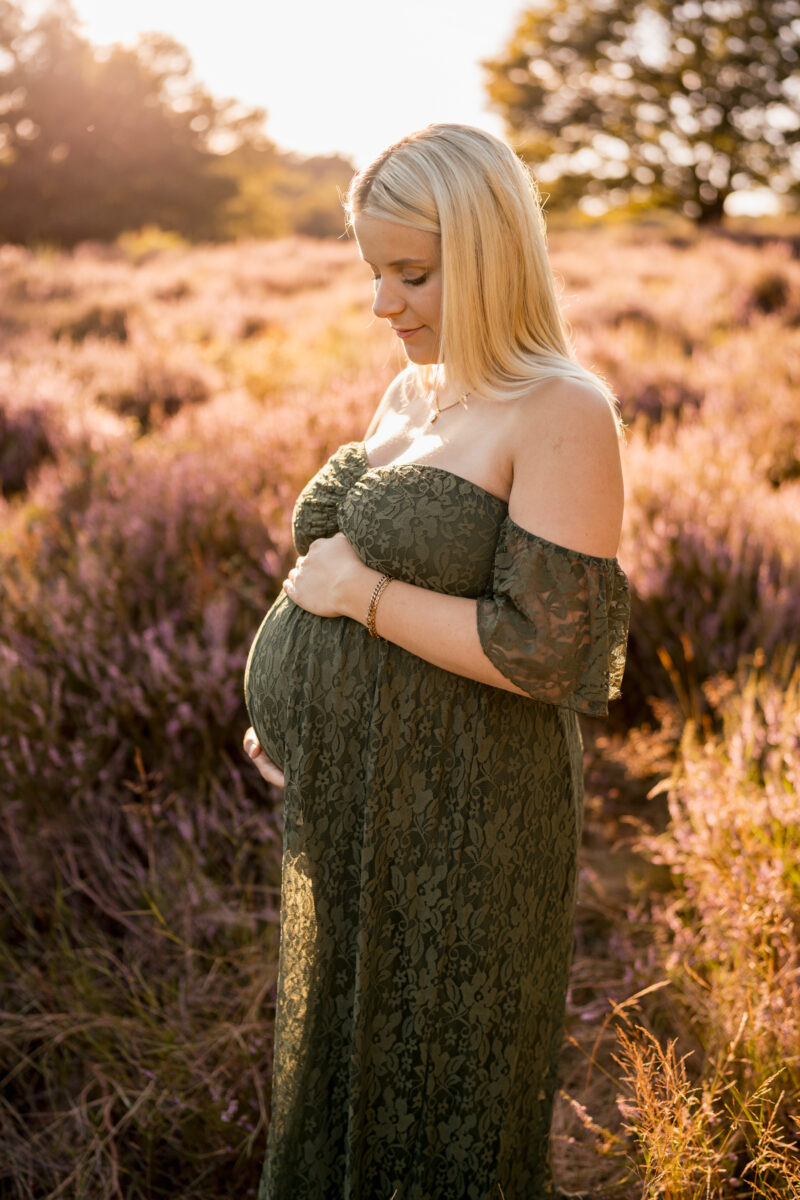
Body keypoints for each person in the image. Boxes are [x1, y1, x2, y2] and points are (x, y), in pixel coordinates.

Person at [242, 123, 630, 1200]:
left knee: (440, 1085)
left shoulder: (562, 411)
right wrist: (296, 711)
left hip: (470, 814)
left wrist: (357, 600)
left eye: (411, 274)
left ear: (492, 254)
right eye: (372, 272)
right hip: (357, 798)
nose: (383, 304)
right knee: (345, 1060)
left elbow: (547, 651)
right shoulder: (414, 390)